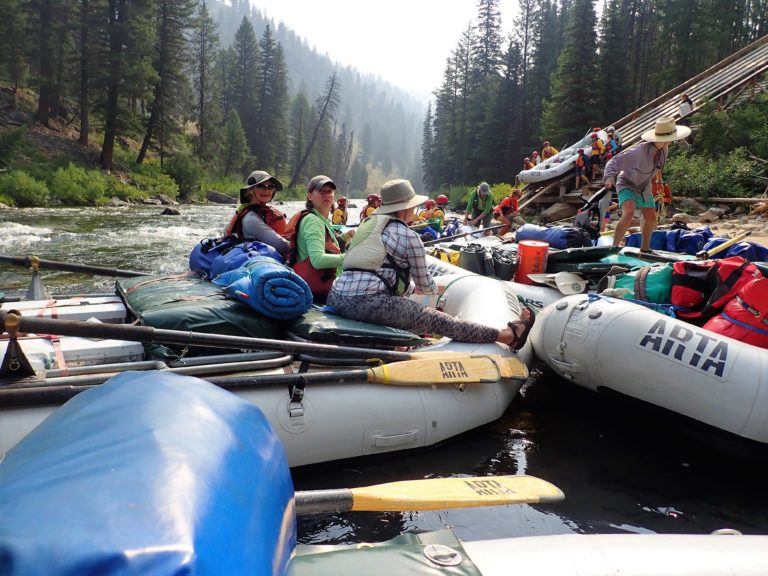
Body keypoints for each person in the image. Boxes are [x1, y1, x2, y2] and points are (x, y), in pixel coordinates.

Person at [328, 179, 534, 349]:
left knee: (399, 303)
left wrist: (411, 288)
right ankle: (508, 335)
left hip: (336, 295)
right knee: (438, 321)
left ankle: (396, 345)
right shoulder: (409, 236)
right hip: (367, 303)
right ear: (406, 209)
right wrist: (436, 288)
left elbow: (377, 274)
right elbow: (426, 288)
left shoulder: (366, 225)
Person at [603, 117, 690, 253]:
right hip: (626, 183)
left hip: (644, 187)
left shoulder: (664, 150)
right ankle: (614, 247)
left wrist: (660, 182)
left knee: (651, 217)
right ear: (664, 139)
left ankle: (645, 249)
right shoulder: (638, 151)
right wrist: (608, 178)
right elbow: (613, 161)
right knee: (629, 212)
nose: (674, 140)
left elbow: (659, 167)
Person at [284, 175, 348, 303]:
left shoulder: (318, 219)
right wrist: (349, 258)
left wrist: (345, 238)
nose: (326, 195)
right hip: (317, 292)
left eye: (329, 191)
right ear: (309, 196)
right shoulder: (313, 221)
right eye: (321, 191)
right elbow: (317, 260)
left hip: (316, 287)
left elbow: (326, 243)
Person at [224, 170, 290, 259]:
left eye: (270, 186)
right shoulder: (250, 219)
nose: (266, 190)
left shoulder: (260, 212)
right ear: (250, 190)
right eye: (260, 186)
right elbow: (282, 246)